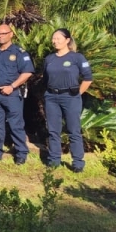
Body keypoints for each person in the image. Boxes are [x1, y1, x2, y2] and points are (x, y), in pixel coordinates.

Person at [0, 23, 35, 164]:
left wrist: (12, 86)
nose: (0, 36)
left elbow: (27, 72)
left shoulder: (19, 52)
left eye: (3, 33)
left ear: (11, 34)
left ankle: (21, 153)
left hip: (12, 95)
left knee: (16, 124)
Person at [41, 28, 93, 171]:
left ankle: (77, 162)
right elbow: (45, 79)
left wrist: (78, 94)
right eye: (53, 38)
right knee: (53, 130)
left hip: (70, 97)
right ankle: (54, 160)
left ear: (67, 40)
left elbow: (88, 78)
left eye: (58, 38)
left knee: (73, 130)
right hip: (51, 97)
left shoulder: (77, 58)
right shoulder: (49, 59)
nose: (55, 41)